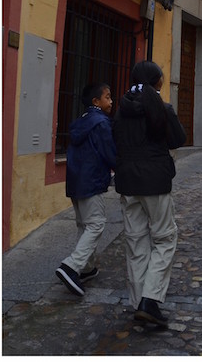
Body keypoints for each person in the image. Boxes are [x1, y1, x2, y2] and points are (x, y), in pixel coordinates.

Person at [113, 61, 186, 328]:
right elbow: (179, 139)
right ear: (157, 82)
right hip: (155, 182)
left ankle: (138, 302)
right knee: (165, 239)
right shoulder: (161, 108)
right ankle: (150, 300)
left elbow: (115, 142)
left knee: (136, 243)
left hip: (128, 183)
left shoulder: (120, 110)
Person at [55, 83, 117, 297]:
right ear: (96, 102)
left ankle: (87, 268)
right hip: (91, 182)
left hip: (75, 181)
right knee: (96, 225)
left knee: (84, 225)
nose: (111, 101)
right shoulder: (101, 123)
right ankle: (71, 266)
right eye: (108, 97)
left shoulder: (79, 123)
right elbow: (109, 151)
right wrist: (121, 168)